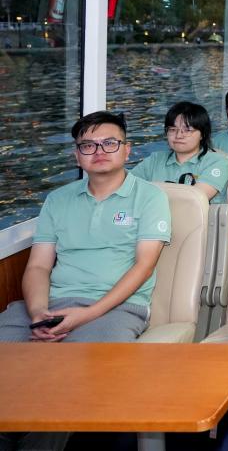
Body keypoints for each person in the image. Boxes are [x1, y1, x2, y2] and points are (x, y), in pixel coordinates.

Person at [0, 111, 172, 346]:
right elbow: (38, 266)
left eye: (109, 143)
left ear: (127, 150)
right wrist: (38, 313)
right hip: (51, 304)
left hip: (117, 308)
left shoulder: (150, 197)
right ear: (77, 156)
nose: (99, 151)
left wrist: (87, 314)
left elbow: (144, 266)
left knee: (83, 363)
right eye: (88, 145)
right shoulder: (57, 199)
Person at [132, 102, 228, 203]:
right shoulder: (155, 160)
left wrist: (150, 192)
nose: (178, 135)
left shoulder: (218, 162)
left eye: (187, 130)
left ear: (202, 134)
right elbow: (127, 187)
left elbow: (195, 199)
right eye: (172, 129)